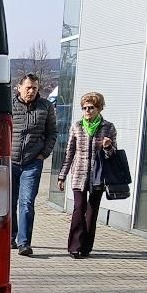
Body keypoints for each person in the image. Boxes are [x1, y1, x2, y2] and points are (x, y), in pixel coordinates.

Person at [57, 91, 117, 258]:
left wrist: (107, 147)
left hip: (98, 175)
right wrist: (62, 176)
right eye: (84, 108)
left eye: (91, 108)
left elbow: (113, 154)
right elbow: (69, 153)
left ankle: (86, 247)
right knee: (79, 208)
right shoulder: (77, 126)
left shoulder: (108, 127)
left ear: (99, 108)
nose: (87, 111)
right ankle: (74, 246)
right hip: (79, 174)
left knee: (92, 212)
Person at [9, 73, 57, 257]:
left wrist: (43, 154)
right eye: (28, 87)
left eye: (35, 88)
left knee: (27, 202)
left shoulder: (46, 106)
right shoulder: (10, 106)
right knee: (10, 202)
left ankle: (24, 243)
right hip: (11, 161)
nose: (31, 91)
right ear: (19, 87)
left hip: (32, 162)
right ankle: (11, 237)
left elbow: (52, 133)